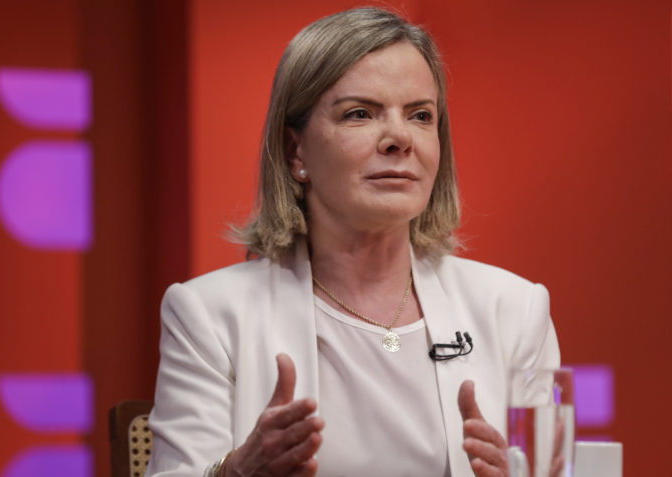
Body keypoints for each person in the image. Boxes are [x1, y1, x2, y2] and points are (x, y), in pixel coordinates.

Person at [146, 7, 559, 477]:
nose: (400, 138)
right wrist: (237, 473)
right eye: (360, 114)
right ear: (295, 151)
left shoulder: (514, 311)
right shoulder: (210, 316)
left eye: (420, 116)